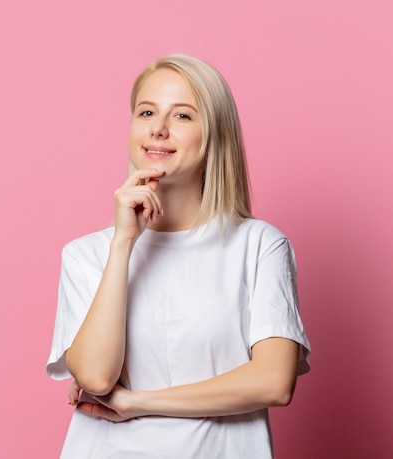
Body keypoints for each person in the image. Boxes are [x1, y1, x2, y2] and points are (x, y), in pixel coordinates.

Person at [46, 54, 311, 458]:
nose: (158, 129)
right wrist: (123, 244)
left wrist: (138, 403)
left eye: (183, 116)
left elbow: (274, 381)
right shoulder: (87, 254)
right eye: (147, 111)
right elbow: (97, 377)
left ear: (214, 136)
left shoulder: (259, 246)